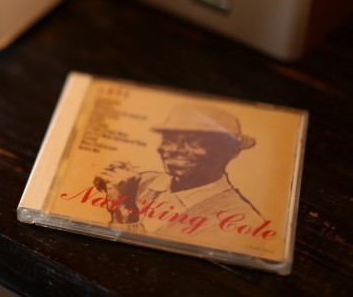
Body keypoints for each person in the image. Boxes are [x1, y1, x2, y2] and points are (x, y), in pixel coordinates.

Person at [93, 103, 267, 242]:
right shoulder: (144, 181)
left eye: (194, 142)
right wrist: (108, 185)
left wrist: (125, 207)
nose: (174, 149)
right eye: (169, 140)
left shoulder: (241, 221)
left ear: (231, 151)